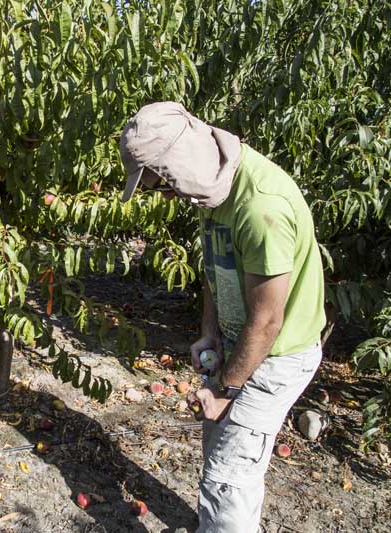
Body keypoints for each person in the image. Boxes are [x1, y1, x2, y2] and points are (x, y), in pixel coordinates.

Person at [119, 102, 325, 532]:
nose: (167, 196)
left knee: (229, 477)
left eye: (161, 186)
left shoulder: (260, 209)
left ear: (177, 163)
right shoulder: (213, 186)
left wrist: (228, 390)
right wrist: (209, 333)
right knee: (220, 455)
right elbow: (217, 267)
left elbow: (268, 321)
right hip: (243, 345)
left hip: (275, 357)